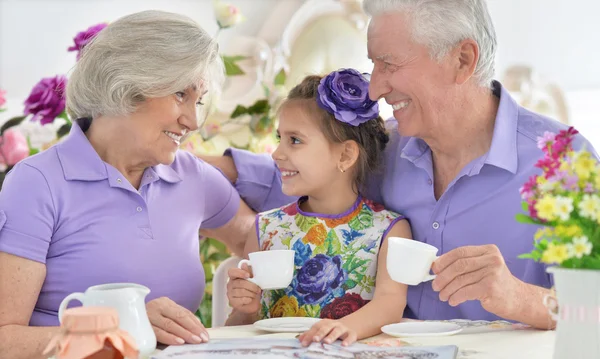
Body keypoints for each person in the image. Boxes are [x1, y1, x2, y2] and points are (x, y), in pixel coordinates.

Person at [202, 0, 596, 331]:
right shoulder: (385, 147)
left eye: (389, 64)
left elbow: (592, 313)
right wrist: (187, 165)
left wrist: (520, 298)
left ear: (462, 59)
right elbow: (304, 172)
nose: (375, 88)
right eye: (374, 65)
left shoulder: (562, 160)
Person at [0, 10, 254, 359]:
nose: (193, 121)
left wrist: (247, 294)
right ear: (124, 85)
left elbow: (253, 234)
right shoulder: (37, 183)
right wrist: (122, 326)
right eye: (180, 94)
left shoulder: (192, 177)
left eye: (198, 100)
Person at [225, 70, 412, 346]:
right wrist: (243, 307)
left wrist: (334, 330)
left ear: (346, 155)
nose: (277, 154)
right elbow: (239, 329)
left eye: (295, 140)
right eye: (280, 139)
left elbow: (390, 303)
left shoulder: (389, 231)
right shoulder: (266, 228)